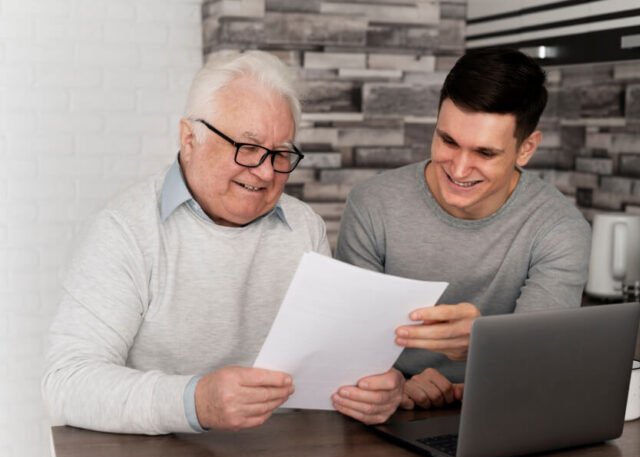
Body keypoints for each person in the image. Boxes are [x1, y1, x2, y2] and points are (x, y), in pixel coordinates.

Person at [42, 51, 404, 435]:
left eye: (280, 153)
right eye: (247, 148)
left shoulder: (304, 227)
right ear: (189, 138)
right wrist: (195, 402)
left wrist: (374, 389)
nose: (265, 172)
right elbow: (66, 382)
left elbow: (331, 366)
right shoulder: (125, 231)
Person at [335, 47, 591, 411]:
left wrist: (483, 343)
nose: (458, 169)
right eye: (448, 141)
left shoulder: (560, 229)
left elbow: (542, 362)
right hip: (384, 414)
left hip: (502, 411)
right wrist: (394, 386)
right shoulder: (372, 205)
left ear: (526, 149)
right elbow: (346, 345)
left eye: (485, 154)